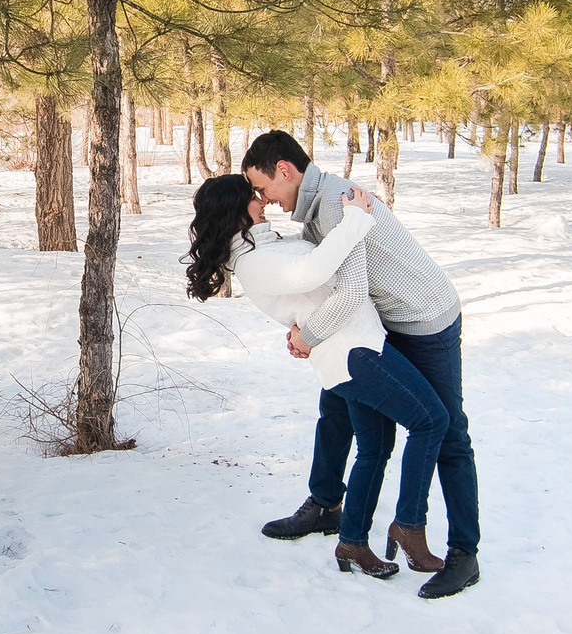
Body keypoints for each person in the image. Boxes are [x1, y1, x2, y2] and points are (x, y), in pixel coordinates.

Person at [238, 130, 480, 599]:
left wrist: (306, 336)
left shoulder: (334, 206)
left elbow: (347, 293)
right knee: (337, 406)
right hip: (379, 325)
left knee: (447, 433)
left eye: (263, 188)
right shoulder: (317, 211)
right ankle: (328, 506)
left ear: (284, 170)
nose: (262, 199)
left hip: (422, 320)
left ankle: (463, 554)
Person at [184, 175, 448, 581]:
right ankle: (409, 524)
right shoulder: (256, 262)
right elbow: (319, 268)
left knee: (375, 448)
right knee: (432, 421)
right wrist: (356, 220)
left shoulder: (263, 247)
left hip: (354, 348)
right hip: (355, 353)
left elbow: (316, 276)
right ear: (235, 212)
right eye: (253, 198)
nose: (263, 201)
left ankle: (353, 541)